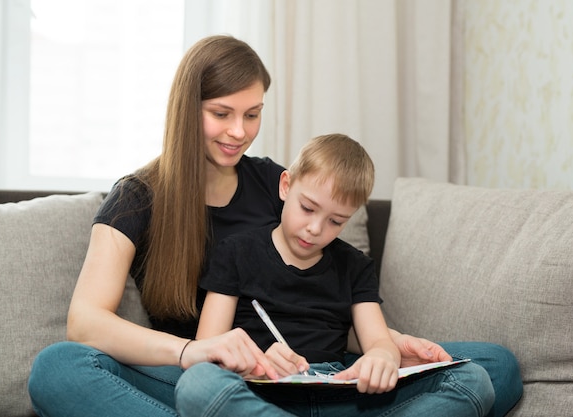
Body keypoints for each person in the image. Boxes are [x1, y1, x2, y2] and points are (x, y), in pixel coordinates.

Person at [27, 35, 522, 417]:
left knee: (495, 366)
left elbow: (313, 294)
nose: (238, 131)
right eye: (221, 114)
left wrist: (383, 344)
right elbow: (85, 322)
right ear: (186, 109)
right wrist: (194, 351)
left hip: (309, 372)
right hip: (208, 377)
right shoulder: (136, 199)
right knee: (57, 369)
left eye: (253, 114)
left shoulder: (274, 183)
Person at [185, 133, 494, 416]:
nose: (316, 229)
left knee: (473, 379)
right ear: (285, 186)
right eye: (307, 208)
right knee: (197, 383)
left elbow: (379, 340)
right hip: (260, 391)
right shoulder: (236, 252)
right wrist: (256, 364)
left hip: (340, 393)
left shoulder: (355, 266)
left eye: (336, 221)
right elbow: (207, 348)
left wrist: (383, 358)